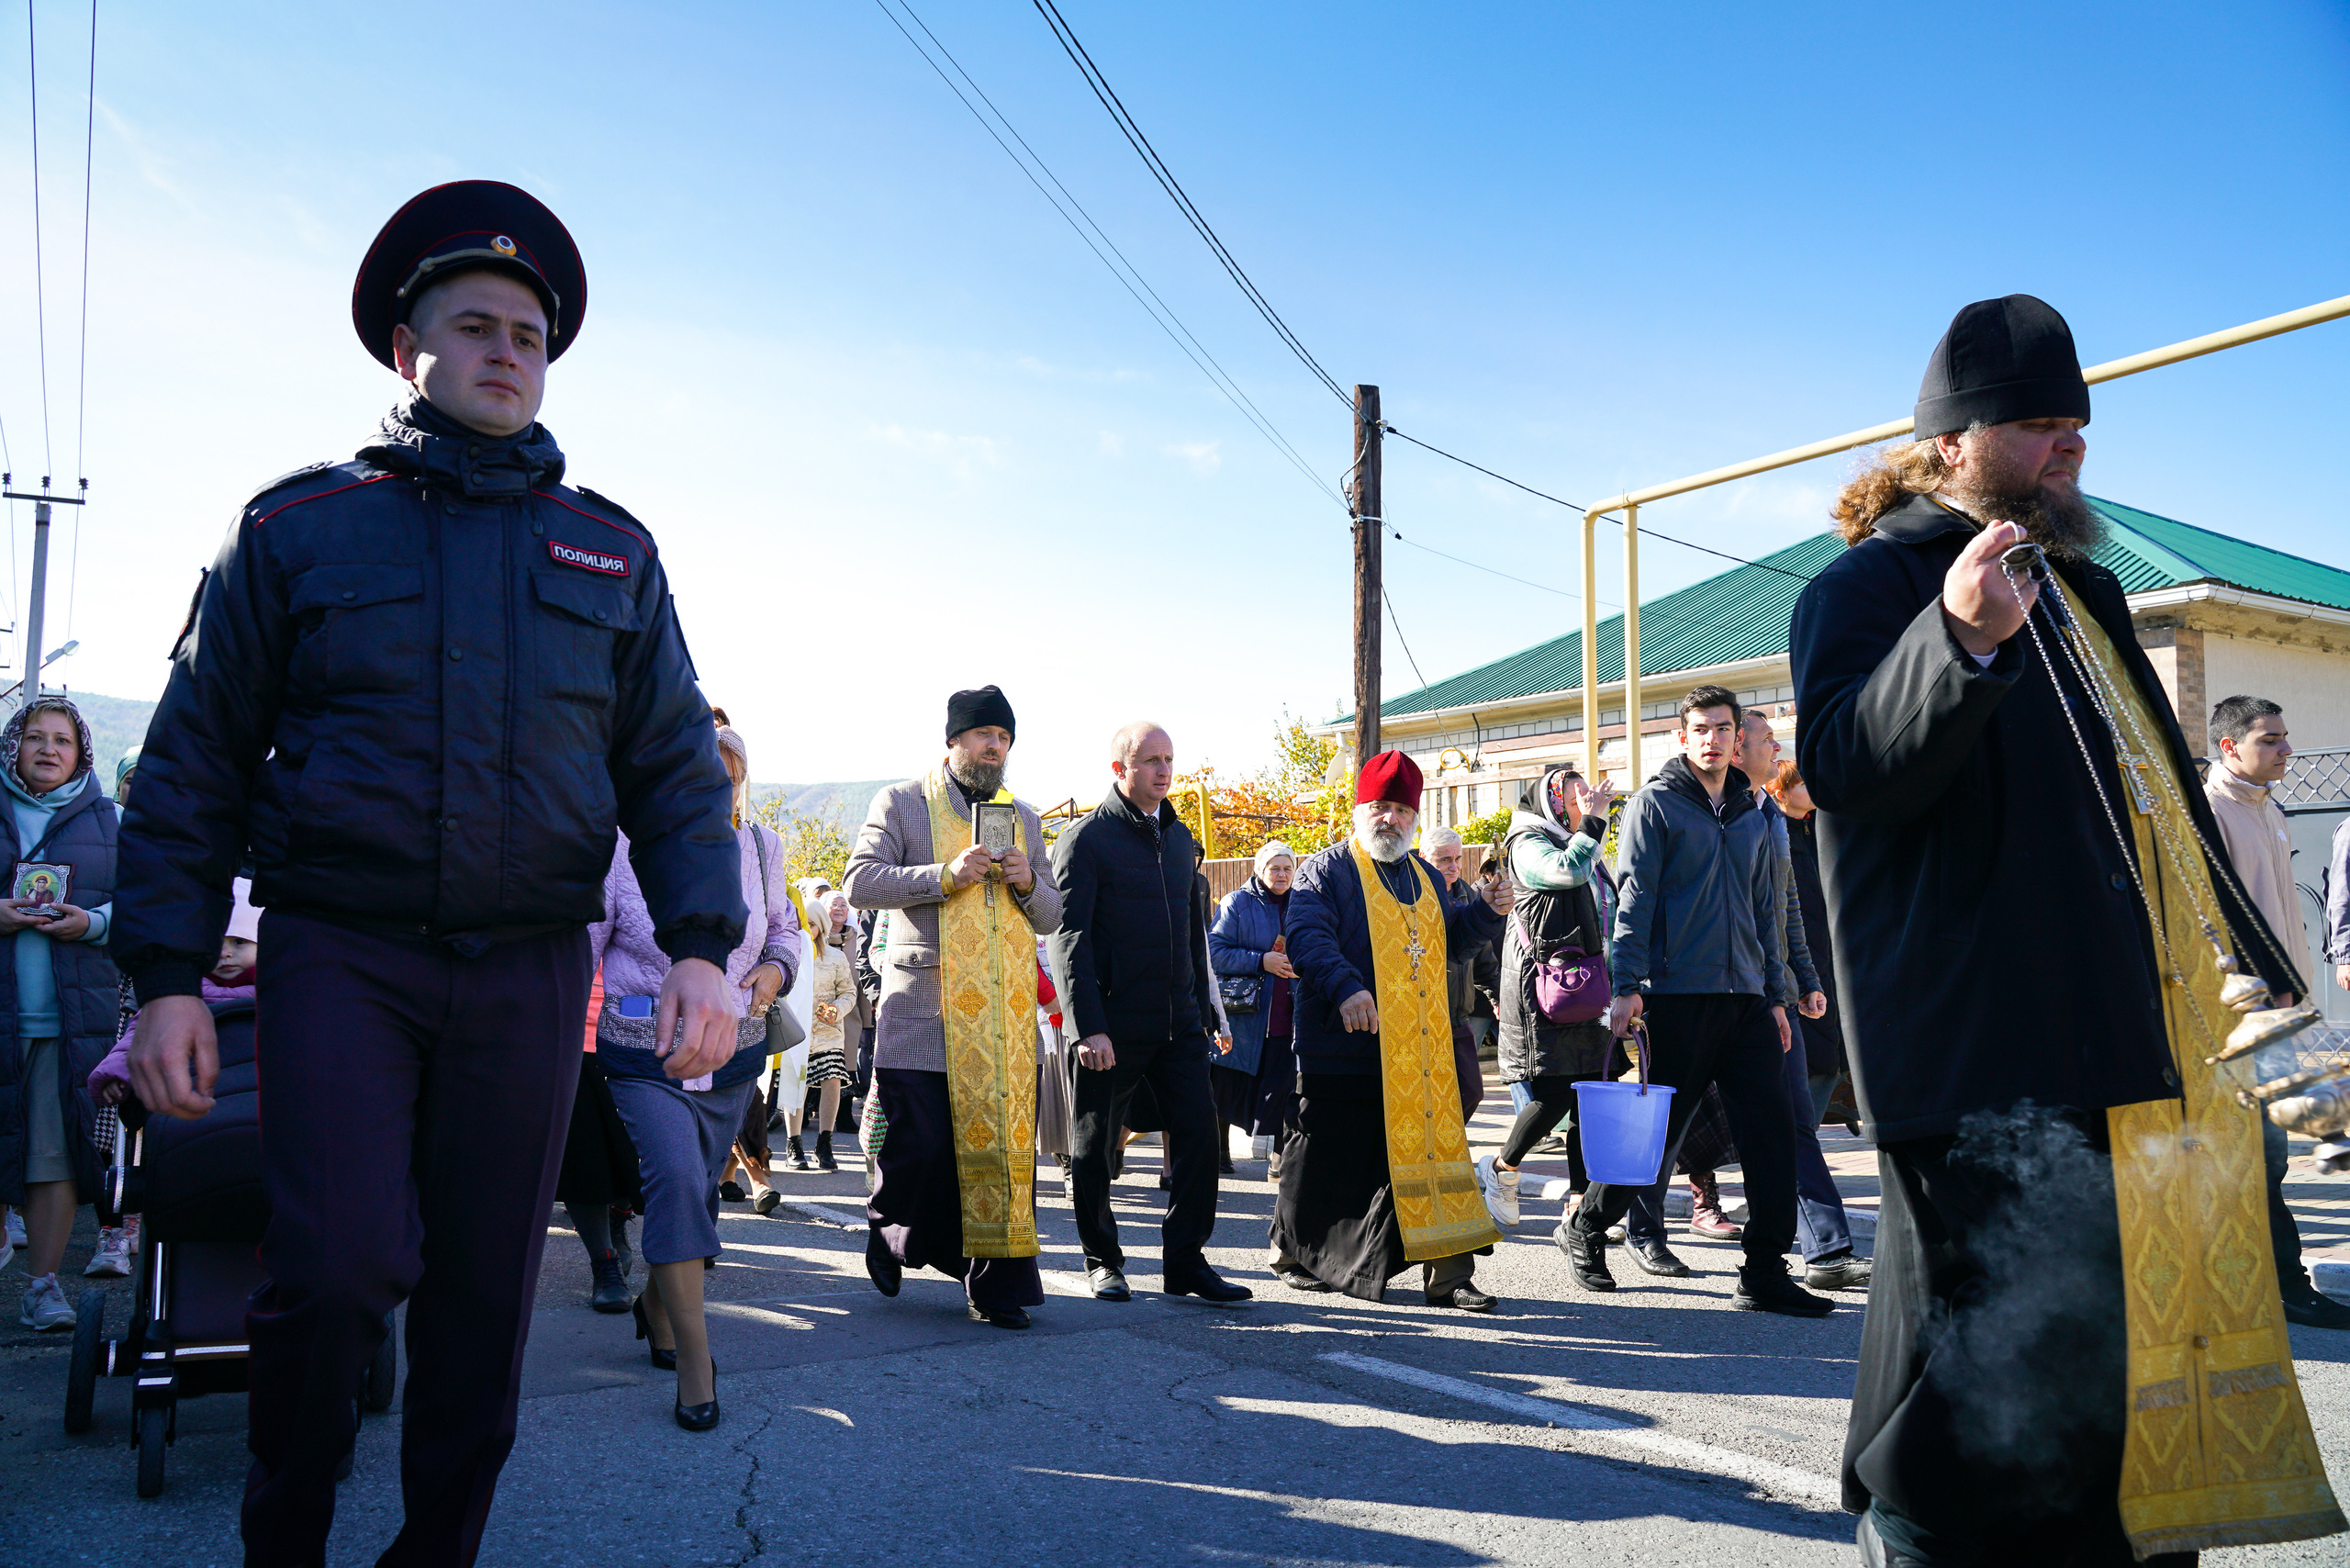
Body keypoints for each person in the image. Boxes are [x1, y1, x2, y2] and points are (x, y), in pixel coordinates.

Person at [113, 182, 747, 1566]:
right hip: (344, 953)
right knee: (336, 1269)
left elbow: (674, 771)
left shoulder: (614, 552)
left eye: (528, 334)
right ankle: (284, 1538)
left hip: (531, 972)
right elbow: (193, 759)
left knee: (483, 1303)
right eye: (474, 326)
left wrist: (704, 945)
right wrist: (163, 977)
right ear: (408, 350)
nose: (507, 351)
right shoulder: (295, 528)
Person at [1794, 295, 2341, 1562]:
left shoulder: (2084, 587)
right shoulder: (1871, 585)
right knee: (1985, 1377)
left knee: (2120, 1375)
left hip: (2132, 1049)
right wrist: (1957, 640)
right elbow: (1844, 768)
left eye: (2075, 425)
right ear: (1949, 445)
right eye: (2035, 424)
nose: (2068, 444)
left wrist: (2260, 981)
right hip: (1984, 1059)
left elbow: (2162, 806)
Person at [1557, 687, 1830, 1318]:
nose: (1712, 739)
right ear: (1682, 738)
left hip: (1748, 1000)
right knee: (1653, 1142)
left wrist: (1780, 994)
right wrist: (1626, 986)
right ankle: (1587, 1225)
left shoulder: (1754, 813)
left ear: (1737, 739)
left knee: (1773, 1135)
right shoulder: (1655, 805)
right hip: (1677, 999)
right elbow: (1635, 898)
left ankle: (1764, 1271)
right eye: (1701, 729)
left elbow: (1768, 910)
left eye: (1722, 729)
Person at [589, 719, 797, 1429]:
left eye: (730, 774)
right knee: (677, 1182)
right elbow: (585, 939)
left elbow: (784, 930)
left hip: (733, 1054)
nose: (718, 784)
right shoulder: (621, 843)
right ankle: (696, 1366)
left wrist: (775, 970)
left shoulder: (761, 846)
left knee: (696, 1195)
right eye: (702, 769)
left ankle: (656, 1305)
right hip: (642, 1052)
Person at [843, 687, 1063, 1329]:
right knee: (923, 1148)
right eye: (985, 734)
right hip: (923, 1012)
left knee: (1000, 1157)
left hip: (1001, 1021)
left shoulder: (1023, 817)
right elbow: (859, 881)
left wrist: (1028, 881)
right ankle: (888, 1235)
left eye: (1005, 738)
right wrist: (945, 873)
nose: (996, 746)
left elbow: (1053, 912)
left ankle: (996, 1287)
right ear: (953, 741)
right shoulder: (902, 802)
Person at [1273, 750, 1511, 1310]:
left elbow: (1450, 944)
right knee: (1325, 1157)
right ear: (1359, 810)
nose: (1391, 819)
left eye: (1402, 810)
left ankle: (1450, 1274)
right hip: (1342, 1041)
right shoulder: (1324, 870)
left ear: (1415, 817)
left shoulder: (1425, 875)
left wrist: (1483, 911)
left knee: (1434, 1153)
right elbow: (1307, 937)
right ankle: (1295, 1253)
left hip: (1418, 1047)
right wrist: (1347, 987)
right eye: (1380, 807)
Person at [1051, 721, 1249, 1305]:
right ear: (1121, 769)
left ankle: (1185, 1262)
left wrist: (1205, 1010)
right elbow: (1068, 938)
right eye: (1151, 760)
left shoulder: (1181, 839)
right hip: (1111, 1025)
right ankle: (1102, 1261)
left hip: (1179, 1023)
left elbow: (1193, 934)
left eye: (1169, 759)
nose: (1164, 771)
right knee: (1094, 1146)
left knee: (1199, 1135)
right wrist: (1088, 1027)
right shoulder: (1085, 839)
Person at [2202, 695, 2349, 1329]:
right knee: (2260, 1155)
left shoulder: (2269, 807)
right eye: (2270, 739)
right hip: (2245, 1017)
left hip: (2283, 1011)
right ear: (2229, 746)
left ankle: (2258, 1286)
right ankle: (2282, 1289)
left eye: (2285, 737)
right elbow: (2212, 921)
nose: (2286, 749)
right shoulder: (2210, 811)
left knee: (2269, 1154)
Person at [1737, 714, 1868, 1293]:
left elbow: (1789, 914)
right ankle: (1601, 1218)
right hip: (1710, 996)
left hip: (1777, 992)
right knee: (1674, 1127)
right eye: (1766, 739)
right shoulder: (1683, 810)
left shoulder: (1781, 824)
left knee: (1794, 1125)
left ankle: (1826, 1253)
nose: (1776, 746)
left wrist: (1803, 982)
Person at [0, 698, 120, 1331]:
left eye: (63, 740)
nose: (48, 749)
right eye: (35, 737)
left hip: (66, 1022)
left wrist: (93, 923)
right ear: (12, 746)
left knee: (54, 1157)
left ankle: (43, 1288)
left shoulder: (111, 821)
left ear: (82, 754)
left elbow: (146, 905)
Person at [1476, 766, 1614, 1235]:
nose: (1587, 805)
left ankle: (1579, 1204)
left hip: (1585, 983)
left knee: (1589, 1098)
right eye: (1577, 800)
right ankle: (1501, 1168)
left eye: (1589, 799)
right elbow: (1566, 872)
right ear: (1553, 804)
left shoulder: (1584, 843)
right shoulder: (1528, 843)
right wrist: (1594, 822)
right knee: (1554, 1096)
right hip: (1542, 988)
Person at [1208, 841, 1301, 1181]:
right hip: (1245, 1016)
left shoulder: (1304, 903)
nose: (1282, 874)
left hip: (1288, 1015)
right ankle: (1219, 1151)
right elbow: (1214, 952)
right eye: (1275, 868)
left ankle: (1279, 1158)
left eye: (1288, 868)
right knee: (1228, 1085)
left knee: (1284, 1090)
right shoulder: (1237, 902)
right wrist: (1262, 960)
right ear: (1261, 869)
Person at [799, 882, 859, 1172]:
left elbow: (849, 992)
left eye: (812, 924)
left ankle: (825, 1143)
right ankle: (794, 1143)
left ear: (822, 926)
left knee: (832, 1078)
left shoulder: (835, 957)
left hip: (828, 1031)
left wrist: (836, 1010)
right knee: (797, 1083)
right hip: (797, 1032)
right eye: (803, 924)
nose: (807, 929)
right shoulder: (790, 954)